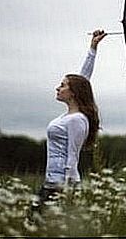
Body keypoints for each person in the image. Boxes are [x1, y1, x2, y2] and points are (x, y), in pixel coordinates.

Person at [29, 29, 107, 216]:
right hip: (51, 181)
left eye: (63, 85)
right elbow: (83, 79)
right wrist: (93, 48)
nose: (58, 87)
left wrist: (68, 190)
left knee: (37, 223)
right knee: (34, 224)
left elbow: (72, 156)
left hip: (60, 184)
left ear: (73, 93)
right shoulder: (69, 116)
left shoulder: (77, 120)